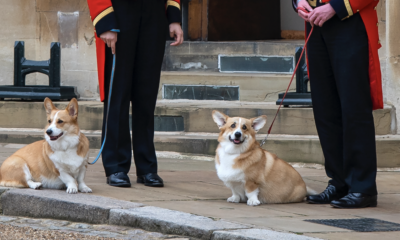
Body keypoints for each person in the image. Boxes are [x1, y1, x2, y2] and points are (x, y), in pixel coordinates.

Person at [292, 0, 383, 208]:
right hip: (316, 24)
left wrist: (335, 7)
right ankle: (339, 182)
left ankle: (362, 187)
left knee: (354, 107)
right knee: (325, 108)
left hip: (350, 22)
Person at [87, 0, 183, 188]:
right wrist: (105, 19)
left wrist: (173, 17)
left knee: (146, 97)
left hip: (154, 13)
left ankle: (147, 167)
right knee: (117, 95)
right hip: (119, 12)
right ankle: (116, 166)